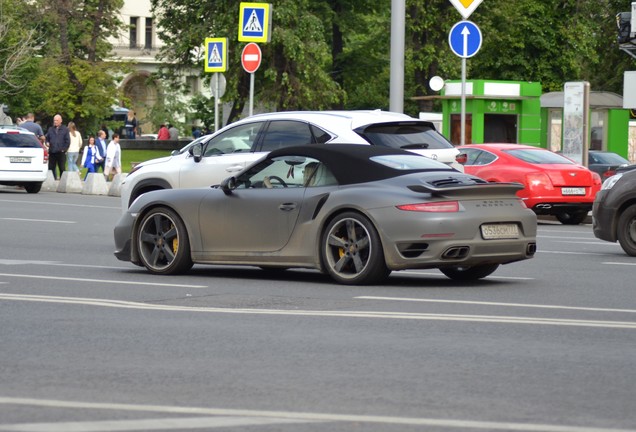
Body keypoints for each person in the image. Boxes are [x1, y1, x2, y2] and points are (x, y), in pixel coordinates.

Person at [44, 114, 70, 180]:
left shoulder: (65, 129)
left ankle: (62, 181)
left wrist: (64, 149)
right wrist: (47, 142)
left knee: (62, 168)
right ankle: (52, 181)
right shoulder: (50, 129)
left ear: (61, 121)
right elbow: (47, 138)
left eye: (57, 120)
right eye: (54, 120)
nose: (55, 122)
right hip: (52, 151)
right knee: (51, 168)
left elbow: (68, 141)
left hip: (61, 152)